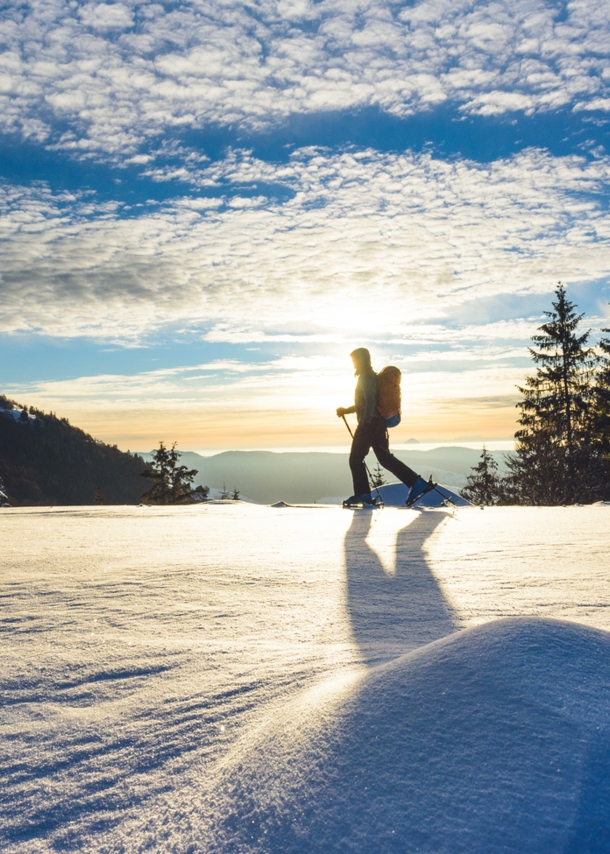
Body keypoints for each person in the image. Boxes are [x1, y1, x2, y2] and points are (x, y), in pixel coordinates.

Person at [336, 347, 430, 506]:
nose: (353, 364)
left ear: (362, 360)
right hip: (378, 424)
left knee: (355, 459)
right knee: (385, 458)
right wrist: (348, 410)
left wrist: (365, 423)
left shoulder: (365, 377)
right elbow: (364, 403)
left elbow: (370, 401)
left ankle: (363, 495)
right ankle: (416, 483)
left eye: (355, 360)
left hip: (370, 423)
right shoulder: (371, 376)